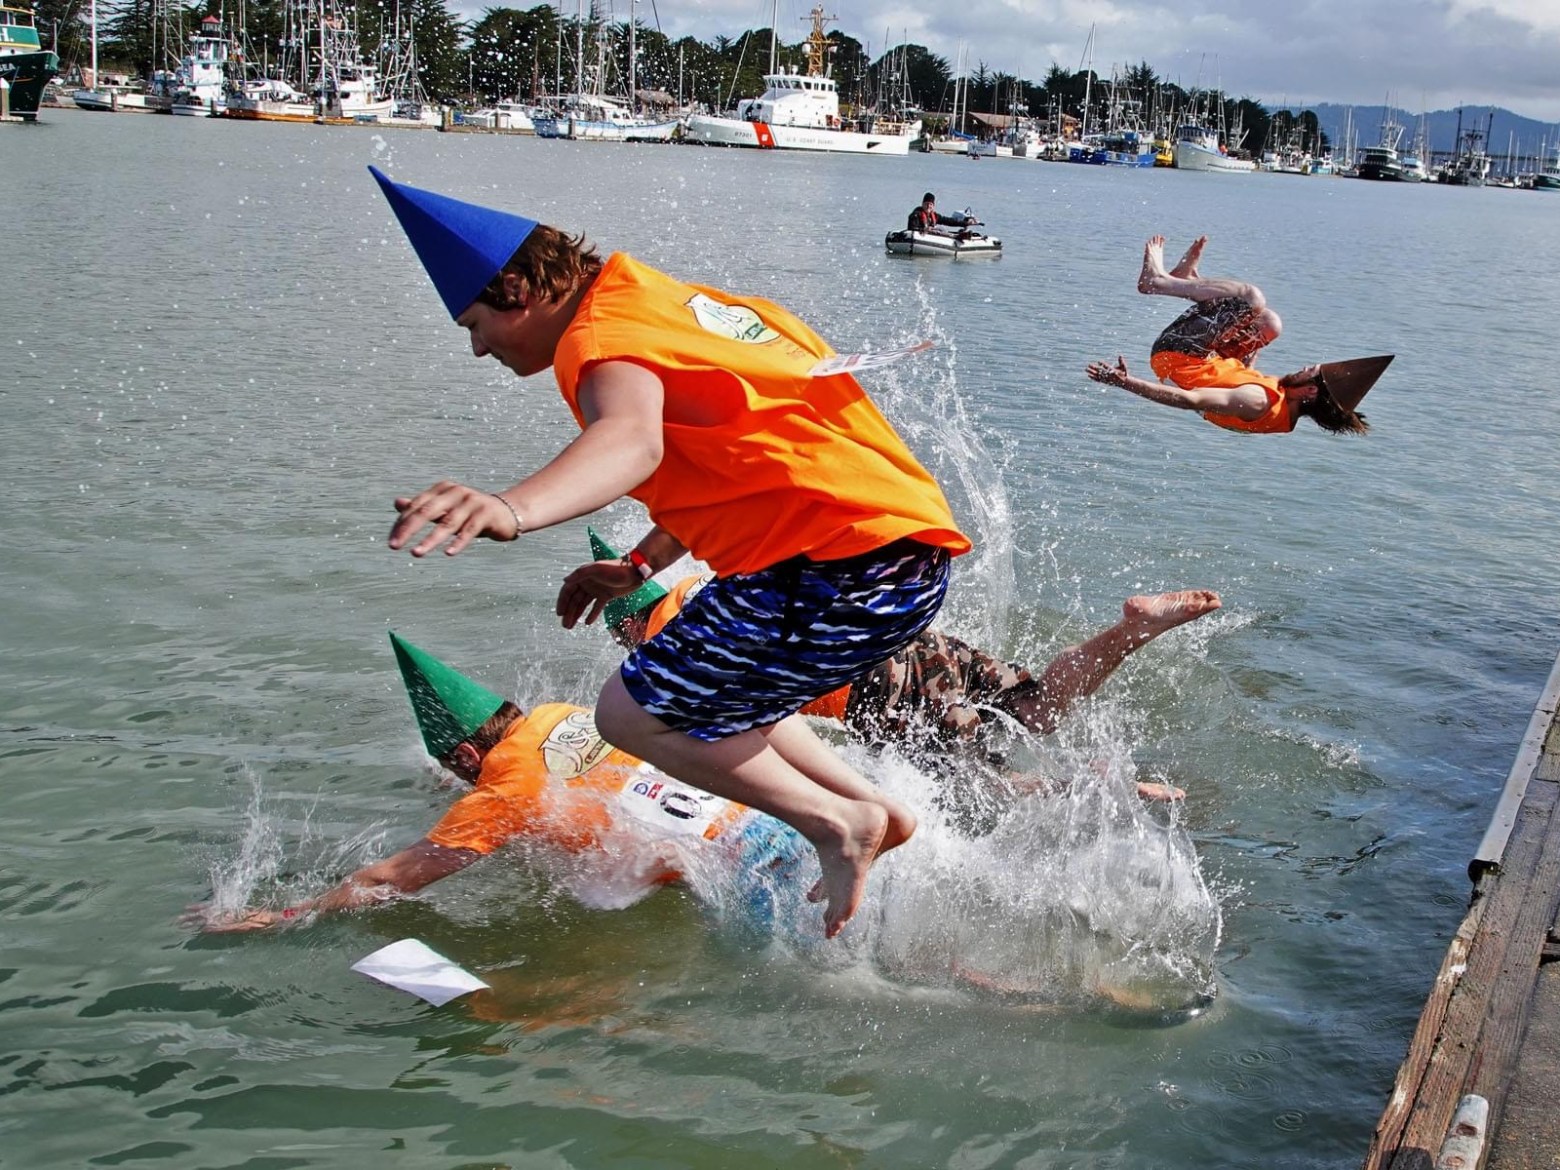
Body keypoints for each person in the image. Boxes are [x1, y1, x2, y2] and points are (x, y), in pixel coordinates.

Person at [369, 168, 971, 937]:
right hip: (891, 558)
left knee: (629, 713)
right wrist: (643, 563)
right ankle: (875, 806)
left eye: (473, 327)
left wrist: (510, 508)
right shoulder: (675, 307)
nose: (478, 350)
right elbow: (747, 451)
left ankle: (834, 821)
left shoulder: (599, 341)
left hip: (841, 570)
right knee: (688, 670)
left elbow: (629, 440)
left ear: (517, 289)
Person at [187, 634, 811, 932]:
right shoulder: (561, 714)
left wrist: (283, 915)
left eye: (451, 767)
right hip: (777, 821)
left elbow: (387, 880)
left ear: (464, 751)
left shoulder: (500, 799)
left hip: (748, 878)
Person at [587, 529, 1217, 799]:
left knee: (981, 786)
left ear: (630, 629)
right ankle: (1132, 630)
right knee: (1035, 703)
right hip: (908, 635)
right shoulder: (706, 586)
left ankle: (1106, 790)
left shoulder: (675, 646)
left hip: (871, 690)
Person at [1085, 235, 1370, 434]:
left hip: (1176, 355)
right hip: (1206, 362)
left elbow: (1190, 401)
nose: (1305, 367)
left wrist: (1125, 382)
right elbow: (1235, 389)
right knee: (1269, 324)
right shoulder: (1283, 408)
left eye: (1311, 371)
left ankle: (1156, 282)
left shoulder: (1258, 400)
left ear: (1310, 391)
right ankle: (1191, 282)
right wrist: (1251, 352)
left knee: (1252, 298)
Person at [906, 192, 974, 237]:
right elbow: (911, 228)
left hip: (929, 237)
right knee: (938, 229)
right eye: (926, 204)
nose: (928, 206)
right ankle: (957, 236)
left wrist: (966, 223)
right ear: (922, 204)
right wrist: (924, 229)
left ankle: (959, 235)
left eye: (930, 204)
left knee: (941, 228)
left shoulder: (934, 216)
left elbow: (949, 221)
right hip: (919, 236)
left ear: (933, 206)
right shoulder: (916, 214)